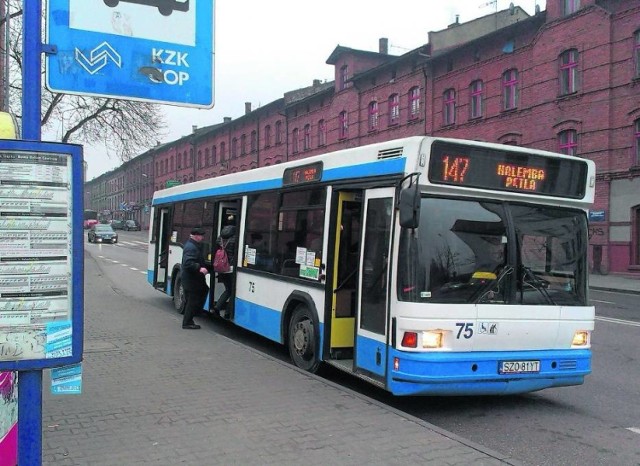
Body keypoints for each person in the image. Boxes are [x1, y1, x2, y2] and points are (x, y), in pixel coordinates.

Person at [180, 226, 210, 329]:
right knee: (192, 300)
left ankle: (196, 312)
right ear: (196, 236)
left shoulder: (192, 245)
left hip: (193, 279)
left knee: (204, 290)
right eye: (201, 236)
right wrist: (200, 268)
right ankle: (187, 322)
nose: (202, 238)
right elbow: (188, 263)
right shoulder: (191, 247)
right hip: (191, 279)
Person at [214, 224, 236, 318]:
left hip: (221, 268)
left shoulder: (220, 239)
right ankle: (228, 312)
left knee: (228, 289)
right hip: (230, 269)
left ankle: (218, 307)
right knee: (233, 291)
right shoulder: (235, 240)